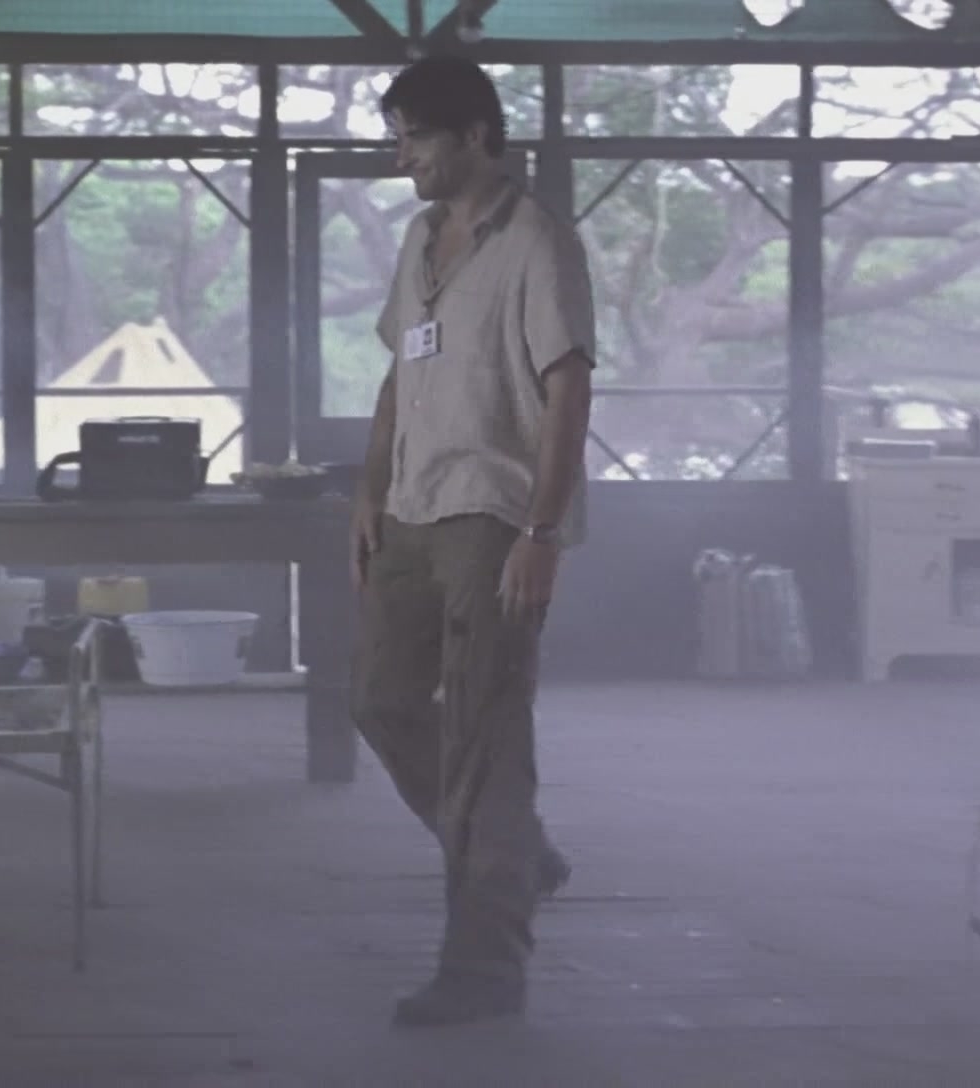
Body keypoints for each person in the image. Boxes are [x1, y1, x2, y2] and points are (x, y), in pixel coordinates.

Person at [348, 55, 596, 1029]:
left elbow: (569, 388)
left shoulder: (537, 240)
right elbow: (398, 376)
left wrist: (543, 530)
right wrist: (368, 490)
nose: (400, 155)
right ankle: (517, 855)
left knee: (485, 743)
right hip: (413, 508)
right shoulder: (420, 241)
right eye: (397, 137)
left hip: (494, 515)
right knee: (380, 700)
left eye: (414, 136)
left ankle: (484, 970)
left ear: (477, 135)